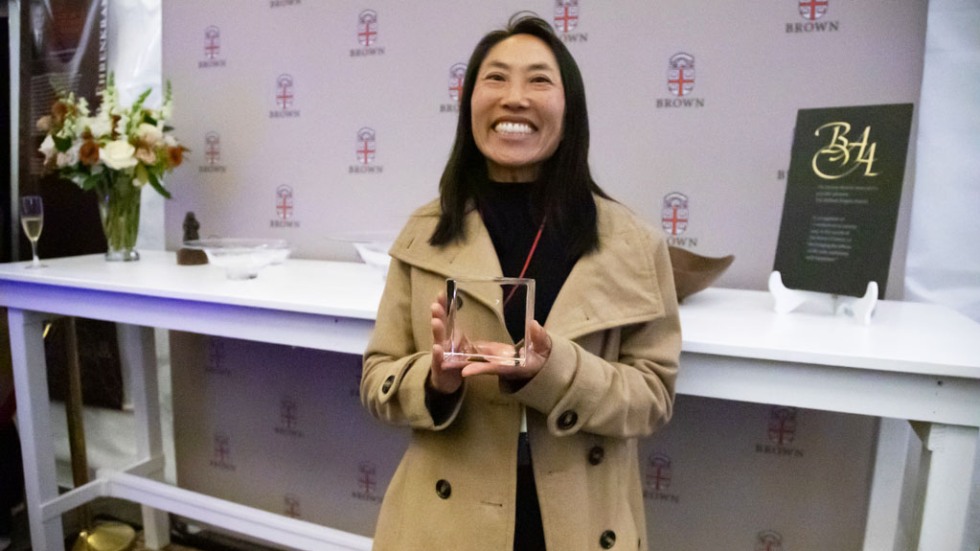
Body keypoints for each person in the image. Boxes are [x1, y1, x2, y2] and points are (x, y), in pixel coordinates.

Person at [361, 12, 681, 551]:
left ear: (569, 108)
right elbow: (376, 379)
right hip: (445, 521)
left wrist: (554, 371)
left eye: (538, 80)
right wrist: (436, 379)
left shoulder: (632, 242)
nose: (514, 97)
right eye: (495, 78)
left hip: (579, 518)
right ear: (469, 106)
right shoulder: (425, 233)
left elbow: (652, 397)